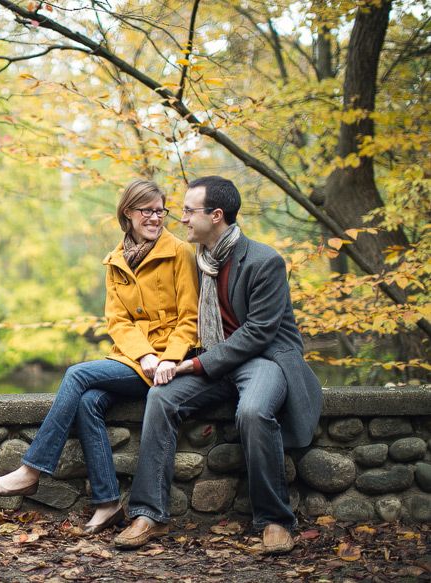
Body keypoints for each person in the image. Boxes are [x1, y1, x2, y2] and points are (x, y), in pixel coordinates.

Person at [113, 176, 322, 554]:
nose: (182, 219)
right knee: (160, 398)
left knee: (255, 411)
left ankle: (275, 521)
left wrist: (191, 365)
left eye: (190, 211)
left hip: (262, 360)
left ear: (217, 215)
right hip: (213, 360)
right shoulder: (197, 260)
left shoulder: (263, 261)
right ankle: (148, 515)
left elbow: (257, 334)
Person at [0, 179, 199, 534]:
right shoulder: (116, 261)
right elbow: (118, 321)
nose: (156, 218)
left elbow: (190, 318)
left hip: (167, 364)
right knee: (87, 403)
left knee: (77, 375)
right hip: (133, 359)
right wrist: (142, 354)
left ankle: (32, 470)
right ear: (128, 212)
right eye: (147, 210)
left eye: (161, 211)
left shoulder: (180, 253)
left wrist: (163, 359)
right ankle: (108, 503)